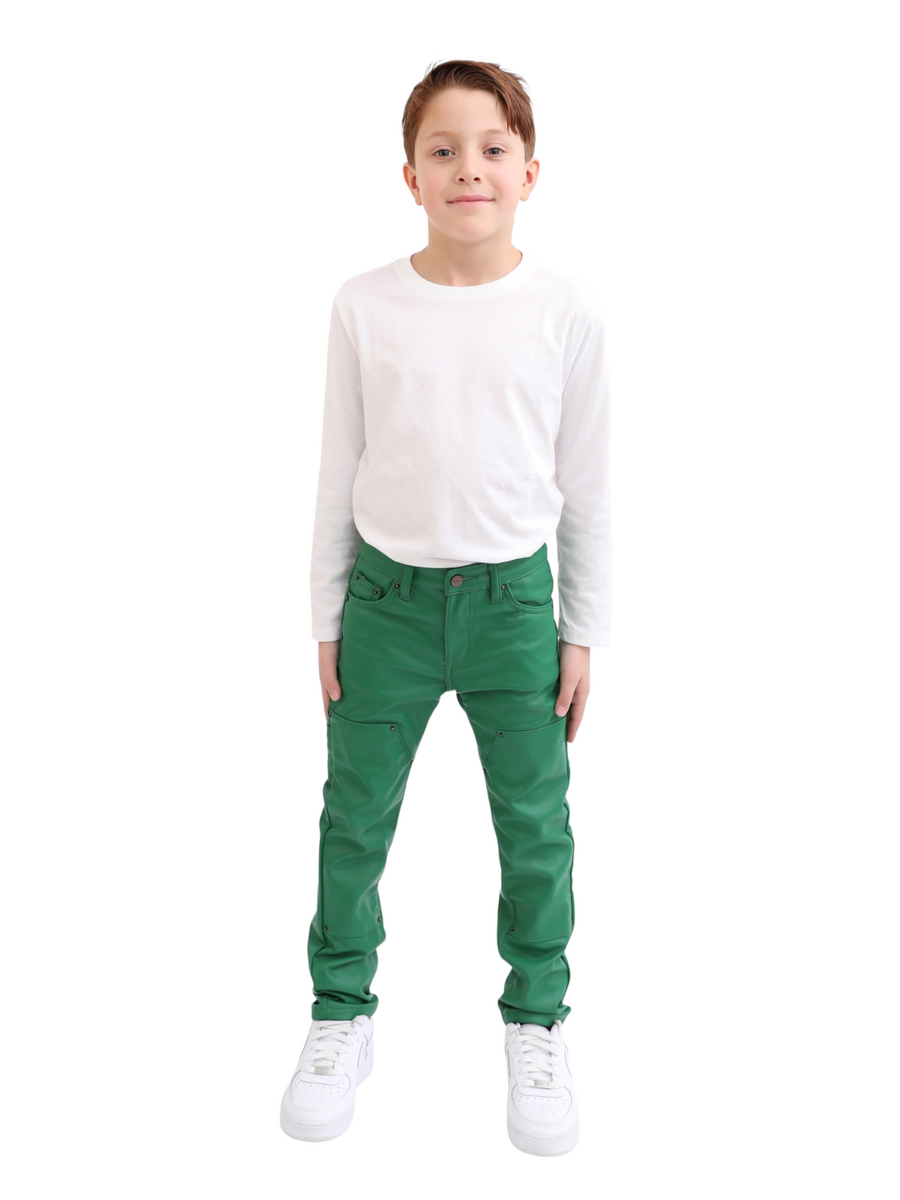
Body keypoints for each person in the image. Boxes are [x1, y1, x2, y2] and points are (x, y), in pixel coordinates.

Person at [280, 59, 612, 1157]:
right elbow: (337, 467)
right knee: (353, 818)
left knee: (536, 826)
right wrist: (327, 616)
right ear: (410, 176)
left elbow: (589, 484)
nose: (470, 168)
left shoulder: (564, 311)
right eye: (443, 150)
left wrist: (582, 630)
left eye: (492, 149)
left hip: (515, 607)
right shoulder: (364, 305)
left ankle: (537, 1020)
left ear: (530, 172)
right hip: (387, 604)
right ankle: (341, 1011)